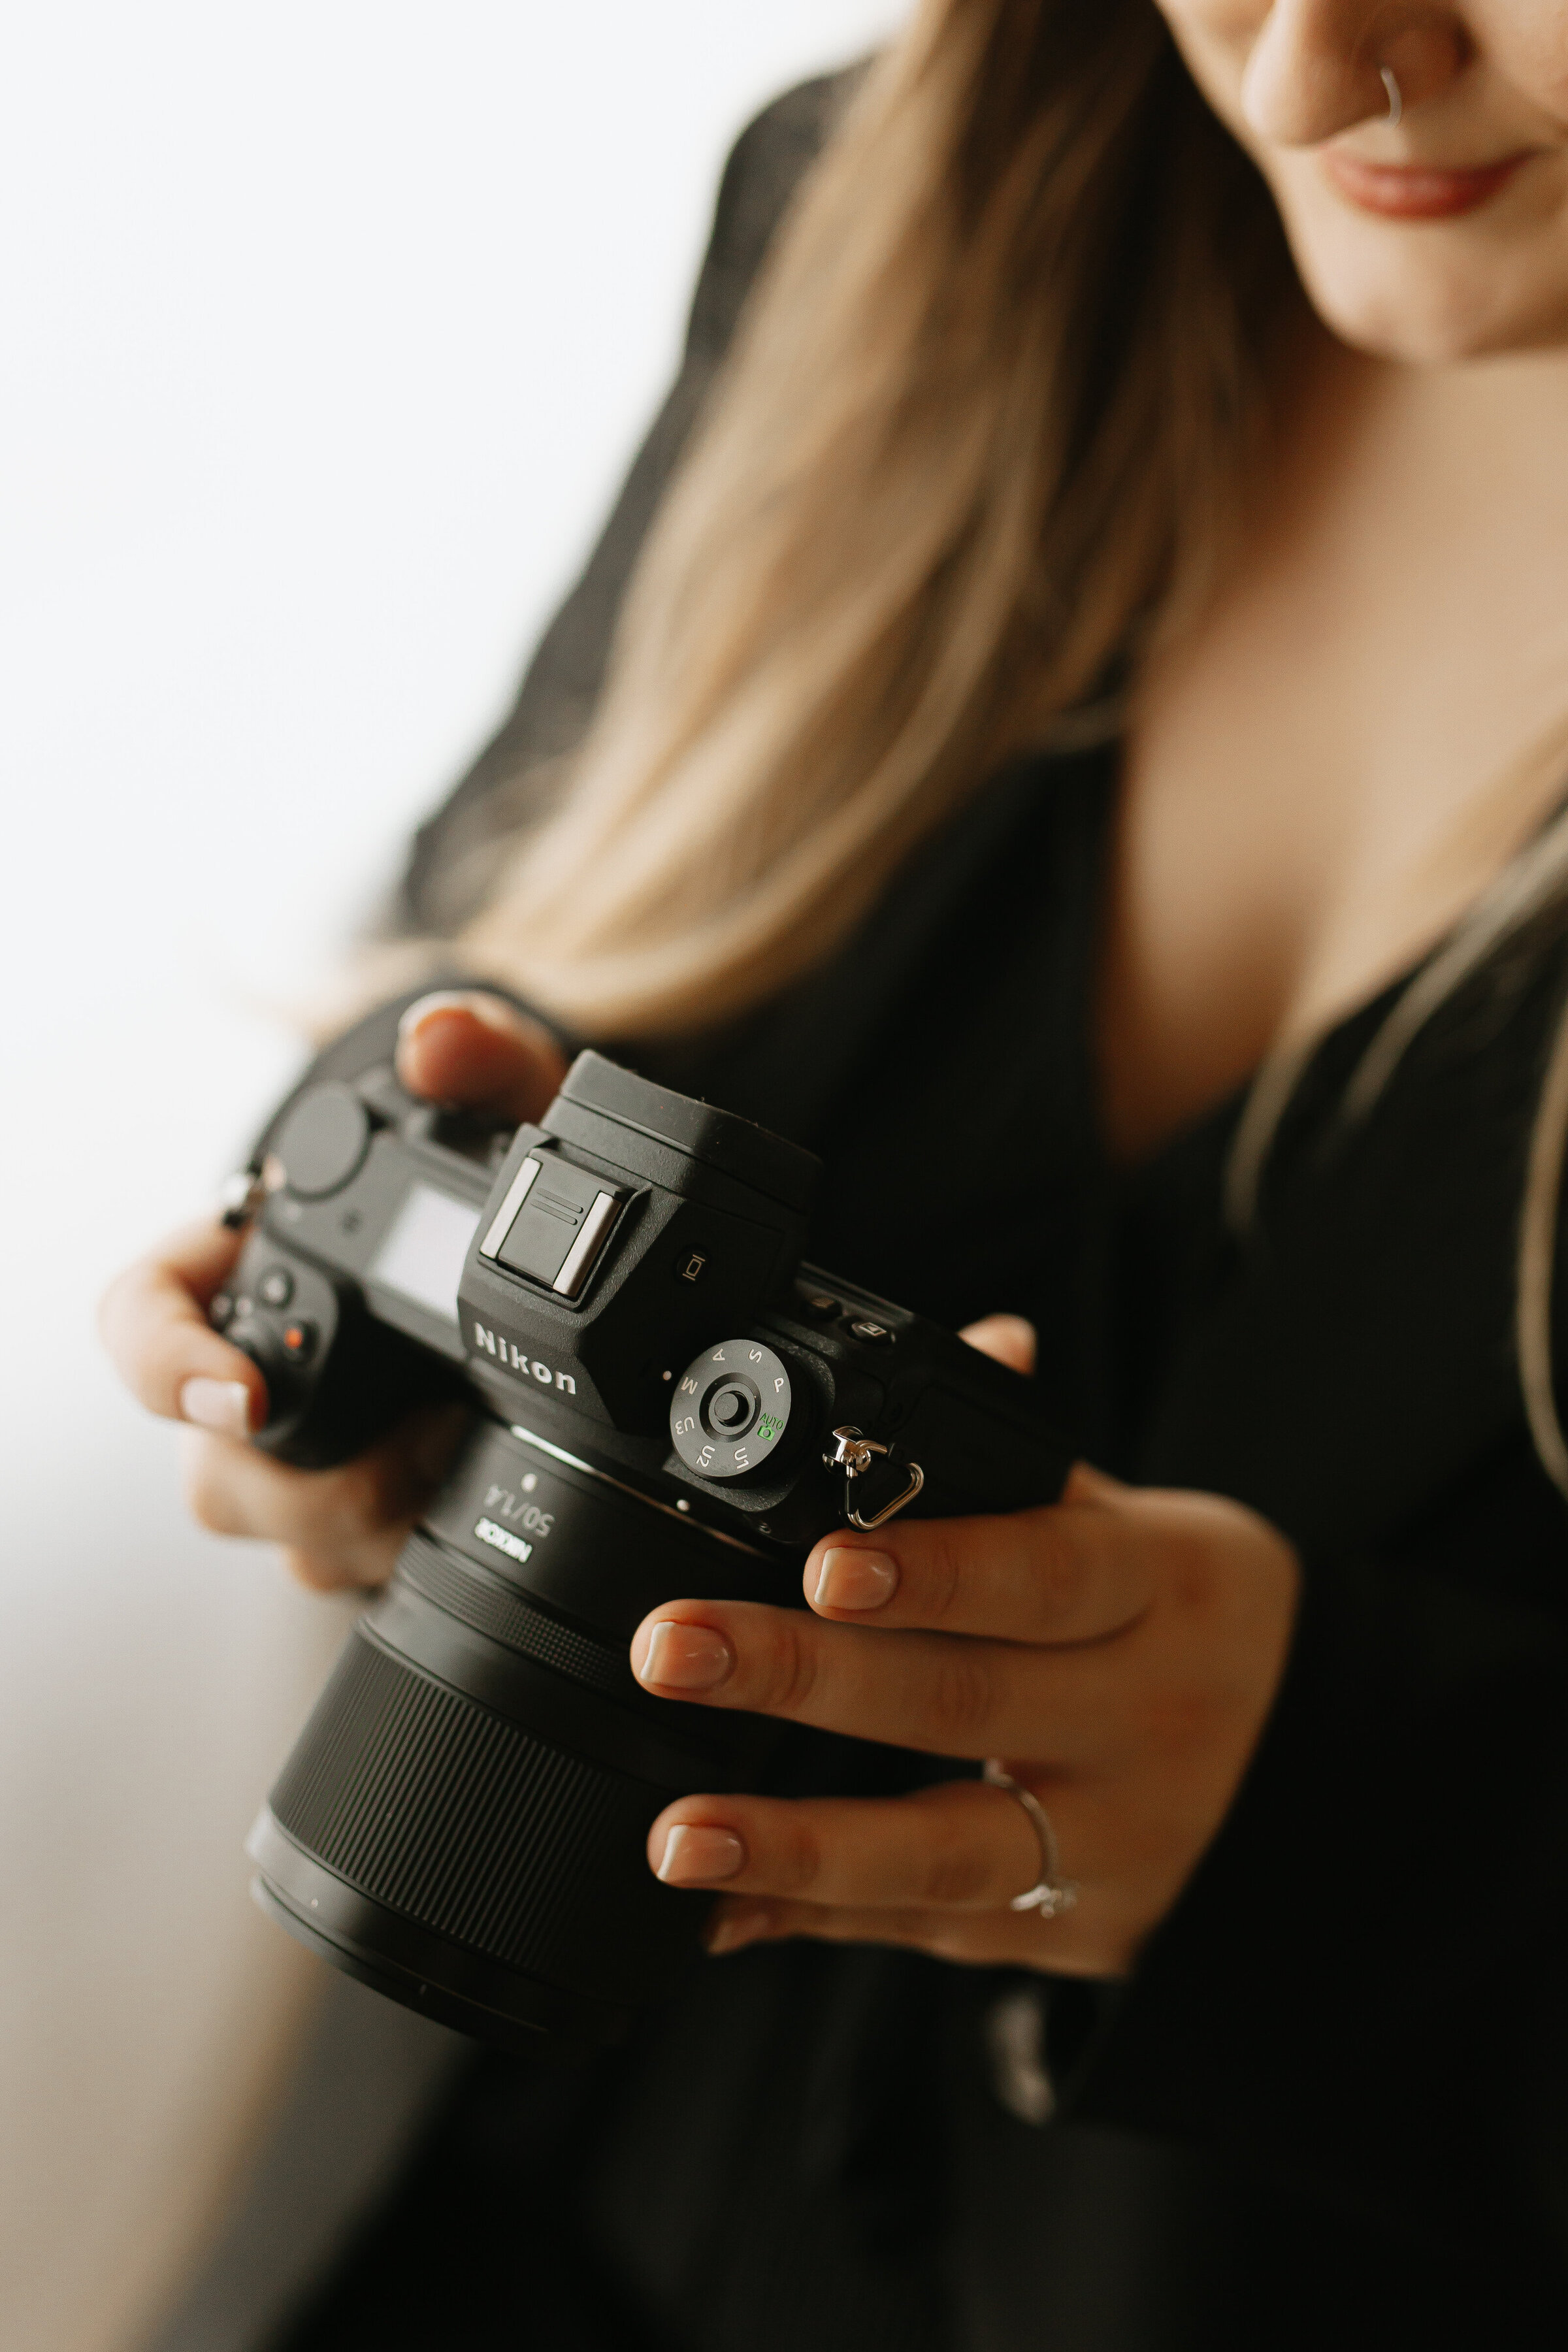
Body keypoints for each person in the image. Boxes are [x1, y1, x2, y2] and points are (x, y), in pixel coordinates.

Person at [100, 3, 1568, 2345]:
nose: (1303, 75)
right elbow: (505, 977)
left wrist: (1332, 1837)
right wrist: (346, 1325)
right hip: (441, 2229)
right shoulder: (889, 201)